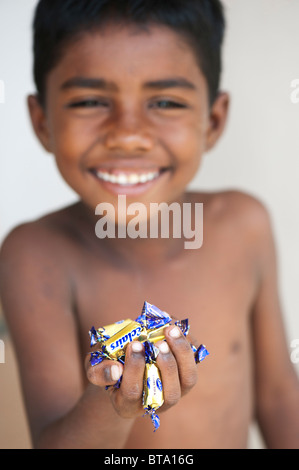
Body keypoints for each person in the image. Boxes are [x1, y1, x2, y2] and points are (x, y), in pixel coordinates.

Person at [0, 0, 298, 450]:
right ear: (42, 122)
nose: (128, 134)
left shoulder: (244, 224)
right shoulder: (35, 254)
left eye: (165, 101)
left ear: (213, 121)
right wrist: (117, 401)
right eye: (89, 101)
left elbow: (279, 397)